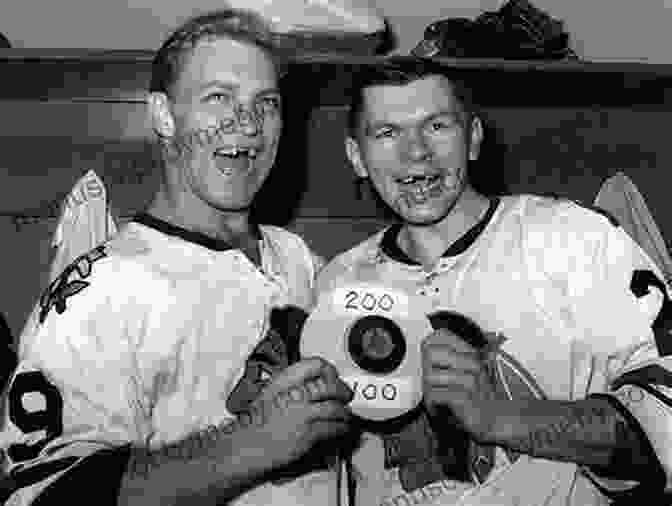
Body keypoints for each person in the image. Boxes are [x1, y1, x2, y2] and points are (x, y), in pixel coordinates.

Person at [0, 9, 354, 506]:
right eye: (218, 98)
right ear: (164, 116)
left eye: (266, 103)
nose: (246, 122)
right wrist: (251, 442)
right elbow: (44, 495)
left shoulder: (300, 261)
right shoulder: (101, 288)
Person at [315, 56, 672, 506]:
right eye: (387, 133)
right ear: (356, 157)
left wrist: (502, 418)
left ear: (474, 139)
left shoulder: (577, 241)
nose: (416, 152)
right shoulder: (335, 285)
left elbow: (664, 420)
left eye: (437, 126)